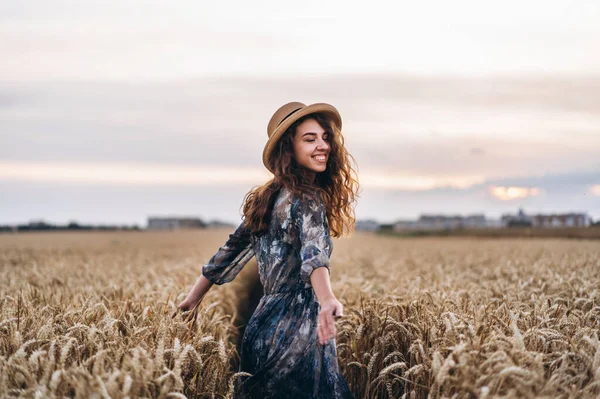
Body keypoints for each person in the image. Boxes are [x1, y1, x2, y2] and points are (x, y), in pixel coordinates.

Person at [177, 102, 359, 398]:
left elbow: (229, 251)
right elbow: (314, 256)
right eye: (309, 139)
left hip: (262, 326)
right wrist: (326, 299)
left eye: (325, 137)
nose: (322, 145)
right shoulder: (308, 199)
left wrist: (193, 297)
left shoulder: (266, 198)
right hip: (300, 329)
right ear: (289, 149)